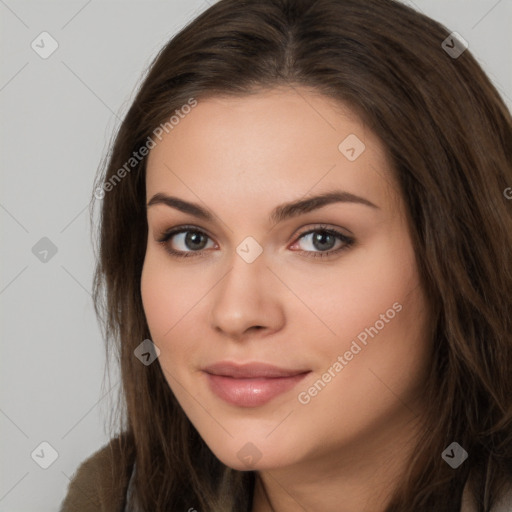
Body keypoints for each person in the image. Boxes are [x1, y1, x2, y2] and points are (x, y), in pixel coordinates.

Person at [60, 0, 512, 510]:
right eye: (191, 238)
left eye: (321, 239)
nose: (236, 313)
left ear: (460, 257)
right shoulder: (114, 496)